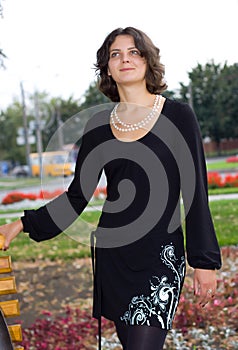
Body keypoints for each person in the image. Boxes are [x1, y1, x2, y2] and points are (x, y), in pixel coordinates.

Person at [0, 27, 222, 350]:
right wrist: (19, 225)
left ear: (147, 60)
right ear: (107, 69)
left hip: (161, 259)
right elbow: (76, 198)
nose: (125, 59)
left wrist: (204, 261)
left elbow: (196, 192)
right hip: (114, 258)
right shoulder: (99, 128)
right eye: (115, 55)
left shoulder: (178, 116)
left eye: (133, 52)